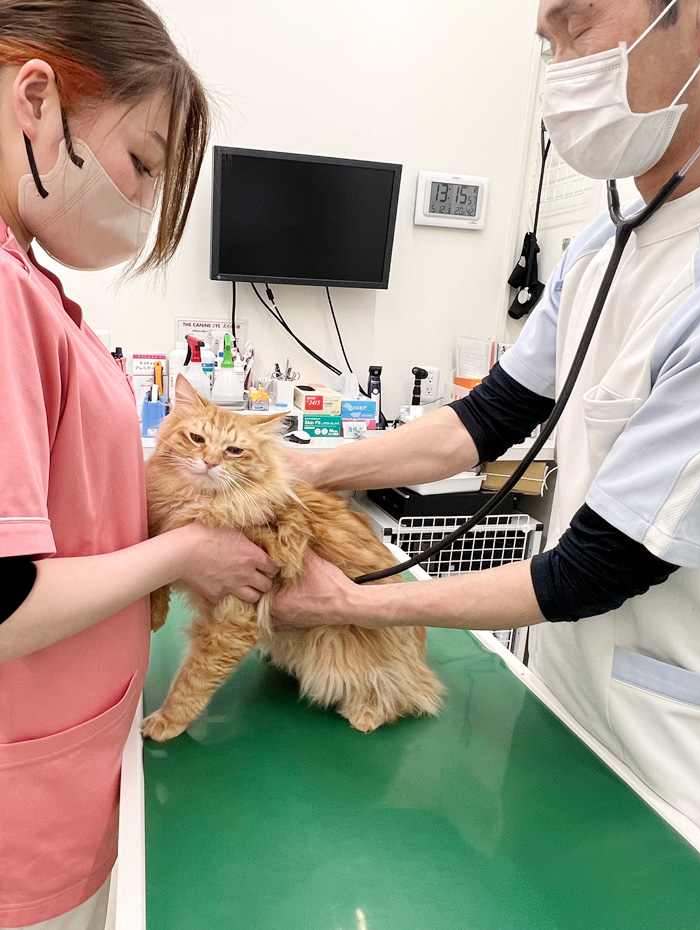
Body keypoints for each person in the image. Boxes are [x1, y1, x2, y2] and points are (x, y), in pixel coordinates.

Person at [273, 0, 700, 874]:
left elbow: (594, 568)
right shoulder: (603, 245)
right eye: (547, 43)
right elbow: (482, 421)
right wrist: (300, 466)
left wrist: (353, 602)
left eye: (580, 25)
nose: (560, 69)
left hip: (682, 762)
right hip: (562, 708)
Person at [0, 3, 279, 927]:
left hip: (63, 761)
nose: (148, 201)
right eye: (145, 163)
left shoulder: (31, 282)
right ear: (36, 99)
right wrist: (182, 557)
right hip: (22, 812)